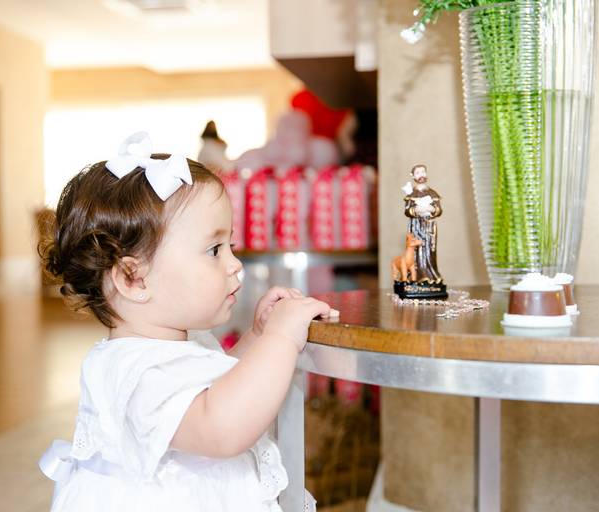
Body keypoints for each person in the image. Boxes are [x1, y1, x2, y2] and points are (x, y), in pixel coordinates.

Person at [38, 132, 332, 511]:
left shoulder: (175, 345)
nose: (235, 264)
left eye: (230, 246)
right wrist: (281, 338)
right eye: (214, 250)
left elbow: (219, 385)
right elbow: (221, 428)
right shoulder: (132, 373)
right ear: (134, 279)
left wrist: (259, 336)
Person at [403, 164, 443, 284]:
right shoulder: (411, 194)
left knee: (429, 250)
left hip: (429, 226)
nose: (421, 175)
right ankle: (416, 275)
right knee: (416, 250)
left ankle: (431, 275)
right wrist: (415, 210)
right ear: (413, 176)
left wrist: (432, 209)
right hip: (415, 225)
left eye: (423, 172)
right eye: (418, 173)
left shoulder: (432, 193)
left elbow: (439, 210)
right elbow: (407, 210)